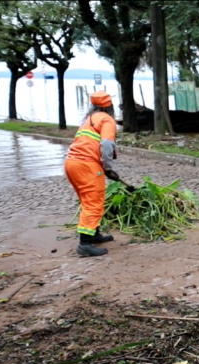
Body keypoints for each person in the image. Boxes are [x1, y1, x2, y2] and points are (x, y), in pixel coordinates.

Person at [64, 91, 128, 257]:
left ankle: (94, 234)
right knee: (93, 202)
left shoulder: (89, 120)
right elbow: (106, 144)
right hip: (87, 165)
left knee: (88, 200)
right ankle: (85, 244)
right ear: (110, 107)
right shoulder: (107, 120)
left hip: (72, 163)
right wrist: (107, 167)